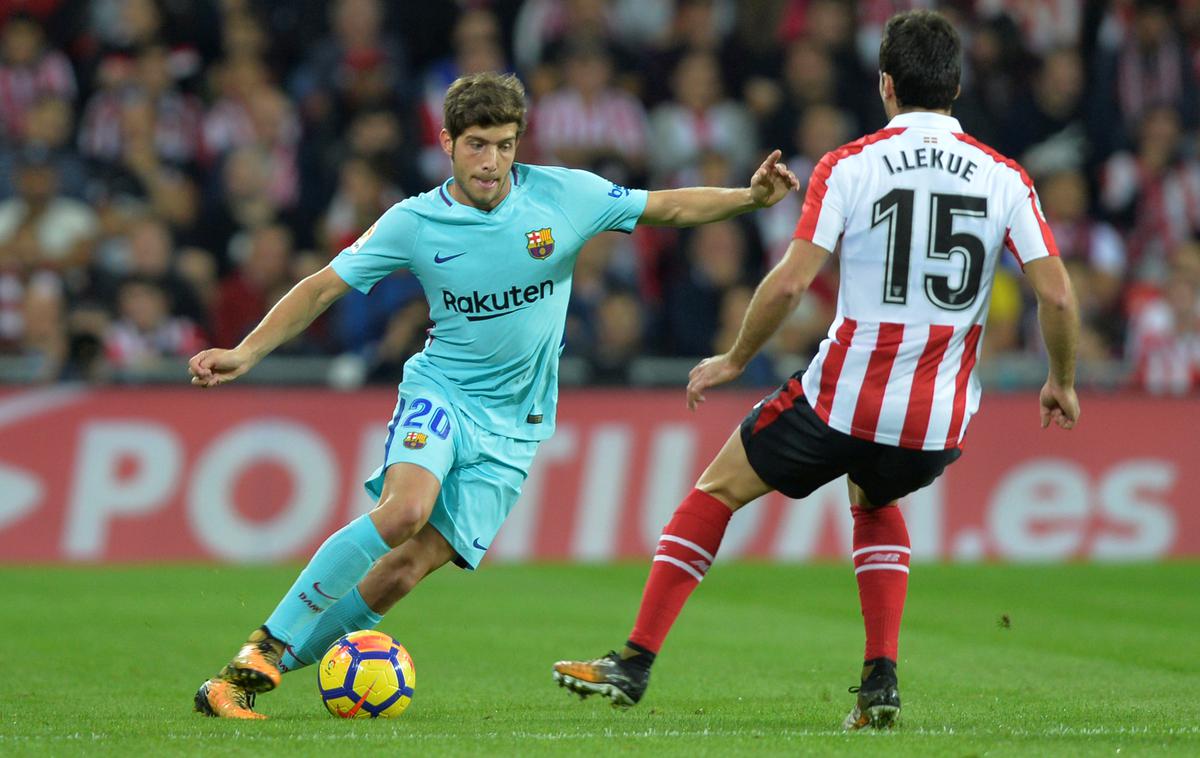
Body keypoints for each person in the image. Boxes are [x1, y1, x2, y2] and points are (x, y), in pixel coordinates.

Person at [187, 71, 800, 719]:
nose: (493, 161)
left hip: (517, 423)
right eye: (478, 144)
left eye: (506, 145)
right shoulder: (415, 221)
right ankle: (264, 644)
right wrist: (246, 351)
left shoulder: (565, 195)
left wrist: (750, 198)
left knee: (404, 570)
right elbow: (321, 287)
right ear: (447, 143)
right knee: (402, 514)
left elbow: (669, 206)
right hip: (442, 393)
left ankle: (244, 680)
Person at [551, 10, 1080, 731]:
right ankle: (881, 679)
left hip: (843, 399)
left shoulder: (849, 164)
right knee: (875, 494)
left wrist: (735, 358)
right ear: (956, 84)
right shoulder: (1006, 177)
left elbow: (792, 283)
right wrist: (1062, 380)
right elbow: (1054, 292)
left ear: (886, 83)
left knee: (716, 489)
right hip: (936, 420)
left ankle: (635, 661)